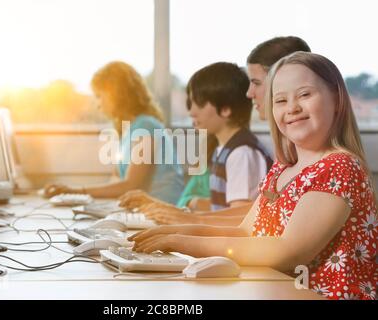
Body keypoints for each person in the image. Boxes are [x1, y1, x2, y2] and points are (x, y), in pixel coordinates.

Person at [130, 52, 377, 300]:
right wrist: (175, 232)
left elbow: (289, 251)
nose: (292, 108)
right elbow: (246, 232)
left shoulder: (340, 166)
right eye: (280, 100)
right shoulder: (283, 168)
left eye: (305, 94)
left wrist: (182, 242)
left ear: (336, 98)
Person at [130, 36, 311, 225]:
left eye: (256, 83)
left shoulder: (243, 152)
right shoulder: (283, 156)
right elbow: (253, 212)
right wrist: (183, 216)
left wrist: (188, 222)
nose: (249, 93)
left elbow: (247, 223)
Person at [43, 61, 184, 204]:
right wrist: (81, 198)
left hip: (163, 208)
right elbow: (116, 180)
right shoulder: (128, 130)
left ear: (116, 94)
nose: (98, 104)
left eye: (99, 96)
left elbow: (131, 185)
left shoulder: (145, 127)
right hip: (144, 209)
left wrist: (75, 191)